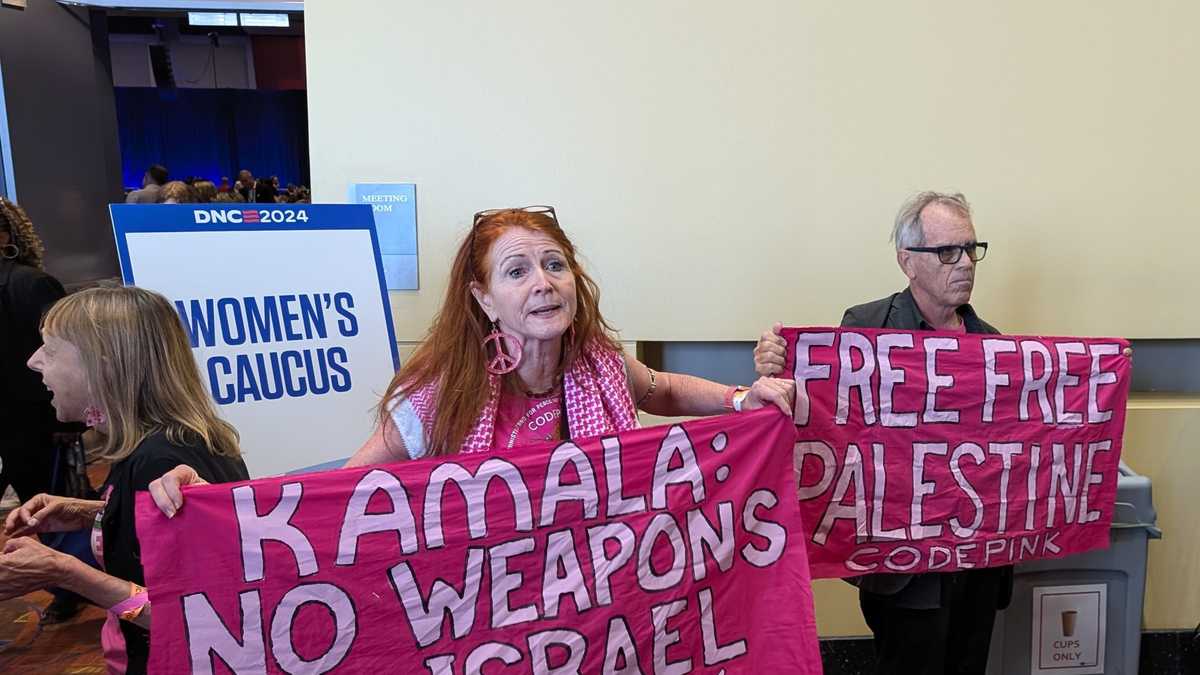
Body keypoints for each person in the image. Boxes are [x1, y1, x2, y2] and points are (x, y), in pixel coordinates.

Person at [149, 206, 795, 511]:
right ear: (484, 299)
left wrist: (742, 399)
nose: (543, 281)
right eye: (517, 271)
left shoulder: (596, 360)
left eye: (554, 264)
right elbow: (338, 489)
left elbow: (660, 389)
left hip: (597, 599)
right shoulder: (437, 395)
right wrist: (217, 505)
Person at [753, 191, 1009, 675]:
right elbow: (821, 408)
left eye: (971, 249)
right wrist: (777, 366)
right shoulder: (865, 326)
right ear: (907, 261)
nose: (966, 264)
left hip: (976, 565)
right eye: (948, 251)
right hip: (903, 567)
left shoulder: (992, 343)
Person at [0, 286, 249, 674]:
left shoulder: (163, 460)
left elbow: (194, 620)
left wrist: (63, 570)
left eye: (49, 350)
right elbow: (162, 538)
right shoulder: (165, 445)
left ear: (102, 366)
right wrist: (93, 513)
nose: (34, 362)